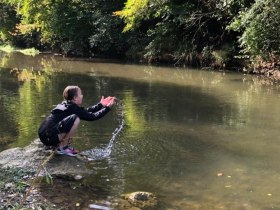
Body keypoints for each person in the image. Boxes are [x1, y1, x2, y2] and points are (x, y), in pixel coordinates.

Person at [38, 85, 116, 156]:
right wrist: (107, 108)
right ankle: (63, 148)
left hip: (44, 136)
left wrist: (101, 105)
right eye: (80, 94)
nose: (82, 96)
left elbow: (85, 111)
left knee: (74, 118)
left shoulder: (67, 105)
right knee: (76, 118)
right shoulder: (72, 109)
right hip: (49, 138)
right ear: (75, 98)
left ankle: (58, 145)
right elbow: (93, 117)